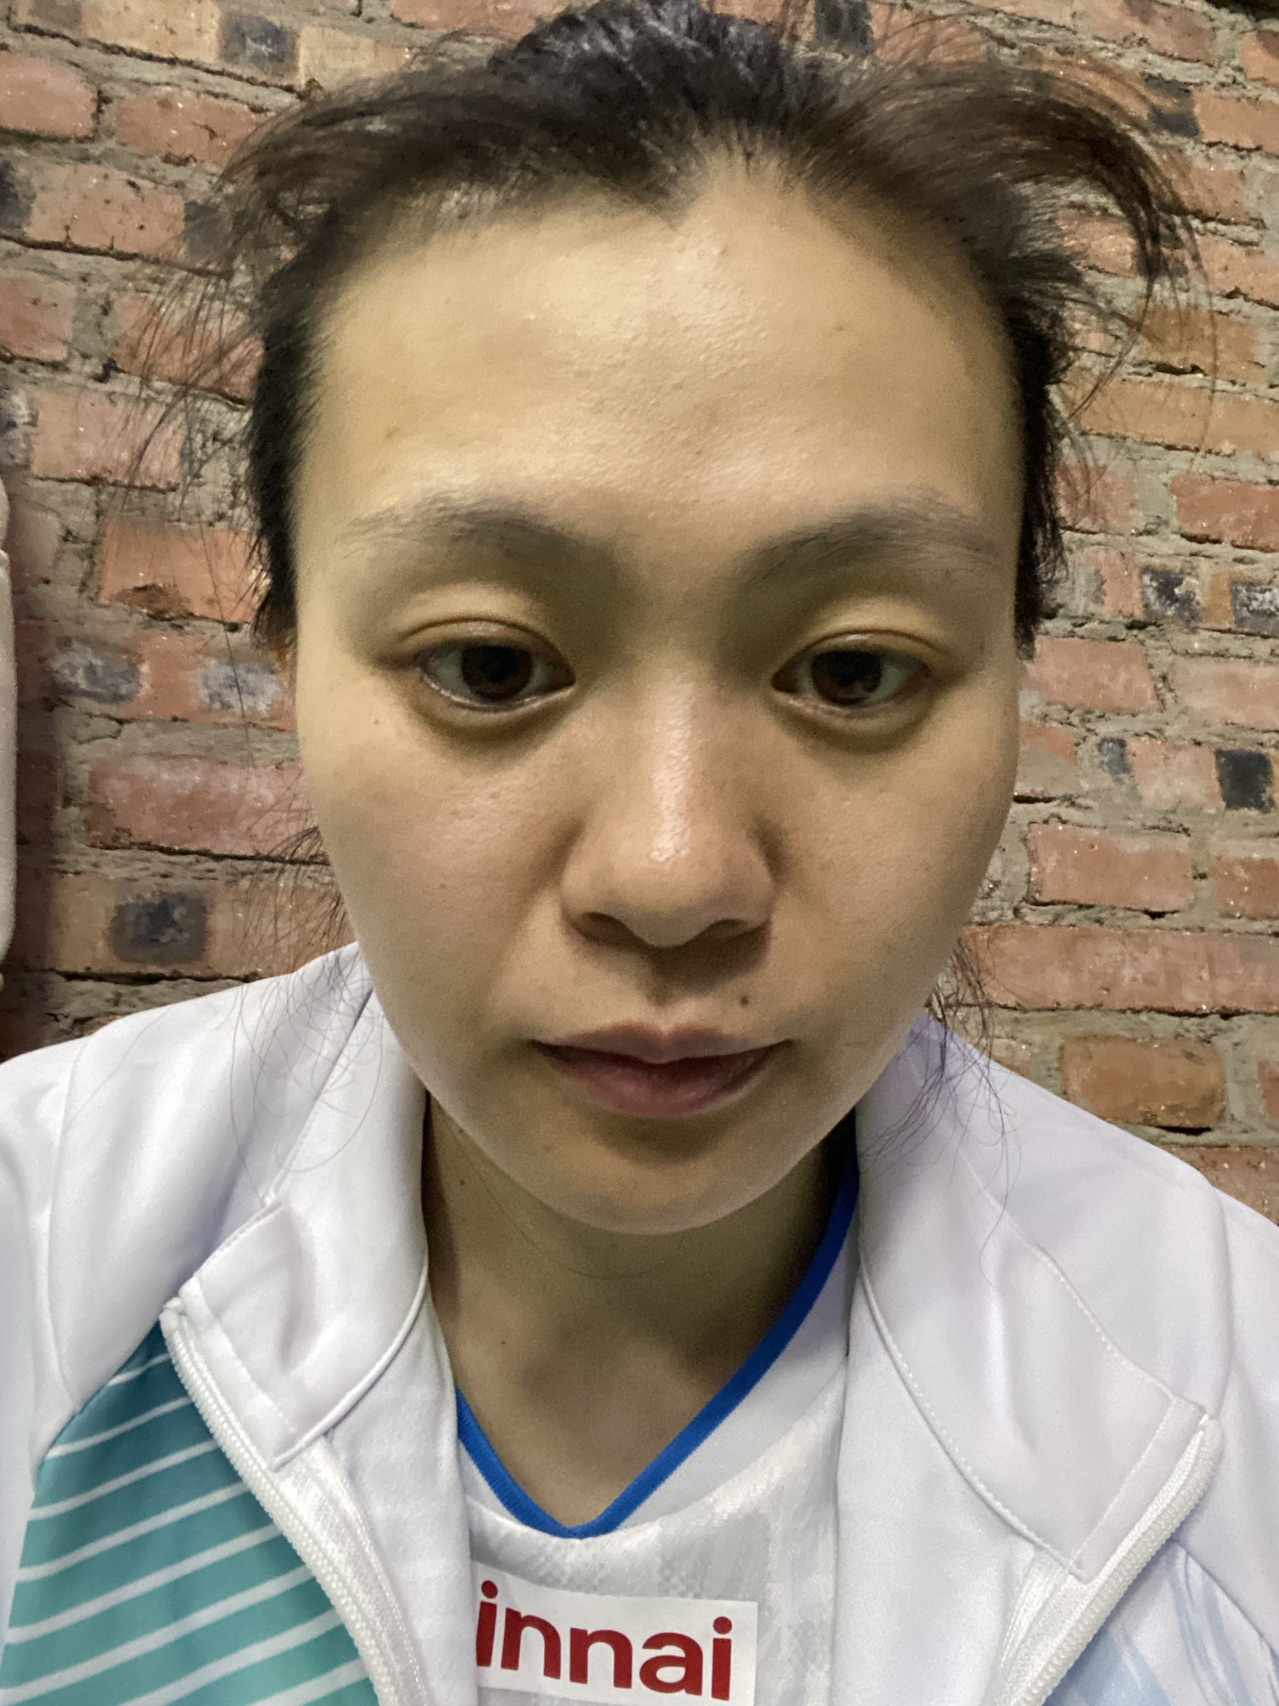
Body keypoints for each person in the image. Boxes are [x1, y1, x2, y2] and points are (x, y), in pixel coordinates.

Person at [1, 0, 1276, 1699]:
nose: (674, 877)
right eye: (488, 665)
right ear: (290, 660)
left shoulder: (1238, 1391)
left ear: (1016, 678)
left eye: (853, 672)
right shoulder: (40, 1260)